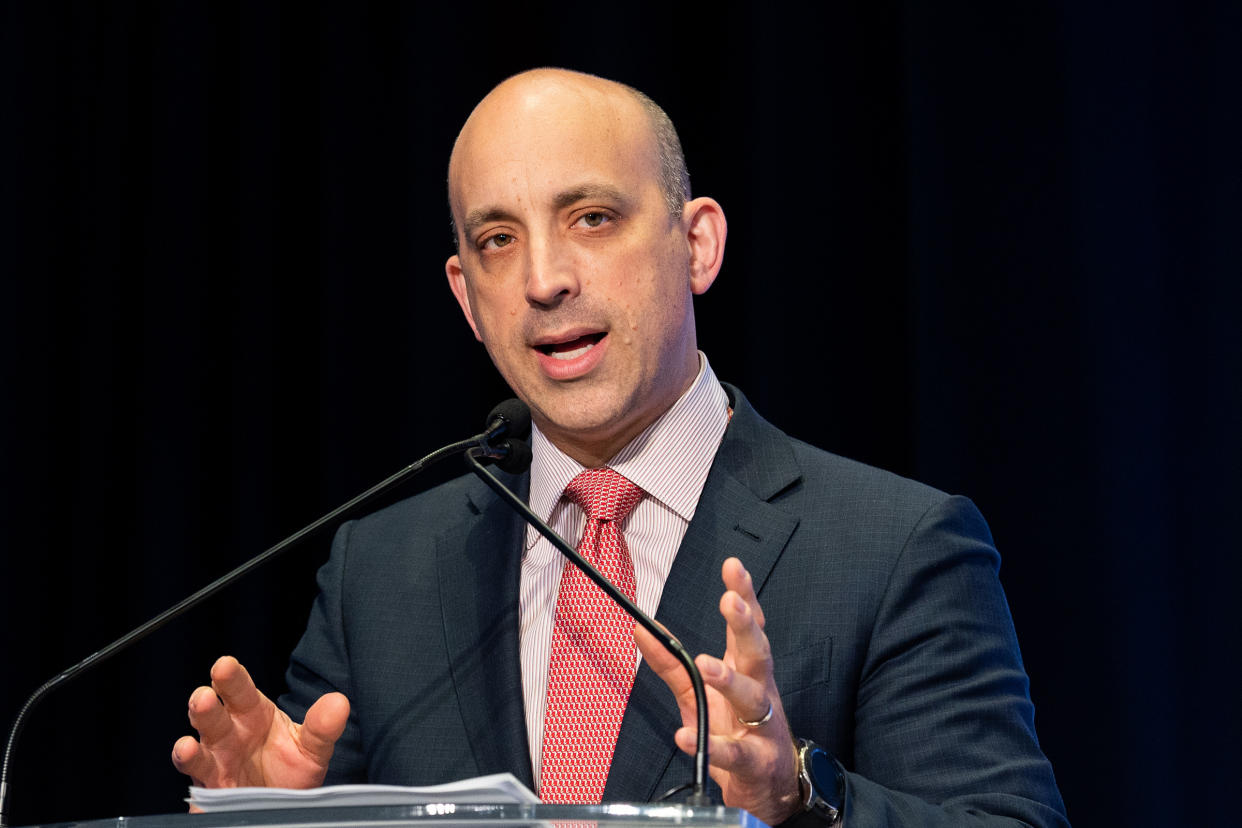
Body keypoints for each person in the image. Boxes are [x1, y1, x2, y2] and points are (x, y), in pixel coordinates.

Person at [172, 68, 1069, 827]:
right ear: (466, 299)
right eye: (496, 240)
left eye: (592, 217)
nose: (544, 279)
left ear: (697, 244)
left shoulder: (894, 547)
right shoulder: (379, 572)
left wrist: (797, 792)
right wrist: (276, 819)